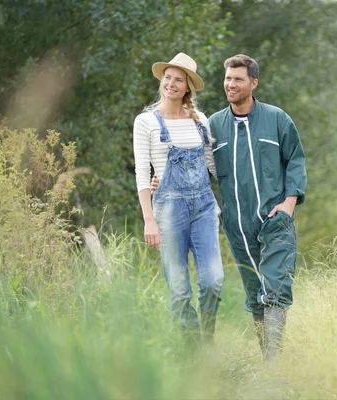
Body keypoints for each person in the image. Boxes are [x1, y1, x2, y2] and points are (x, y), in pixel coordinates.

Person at [154, 54, 307, 360]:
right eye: (227, 78)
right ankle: (268, 360)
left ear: (253, 82)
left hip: (275, 219)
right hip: (237, 225)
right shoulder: (213, 126)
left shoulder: (277, 119)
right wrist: (163, 178)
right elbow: (196, 164)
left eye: (238, 79)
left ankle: (273, 365)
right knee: (255, 292)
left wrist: (289, 204)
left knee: (276, 287)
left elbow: (296, 161)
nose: (231, 84)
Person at [133, 52, 224, 347]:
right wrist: (149, 219)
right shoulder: (145, 121)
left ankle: (205, 341)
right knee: (179, 289)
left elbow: (213, 167)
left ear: (188, 88)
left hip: (204, 207)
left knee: (213, 281)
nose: (171, 83)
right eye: (167, 77)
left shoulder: (200, 121)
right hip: (168, 209)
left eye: (178, 80)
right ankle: (191, 351)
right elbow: (141, 172)